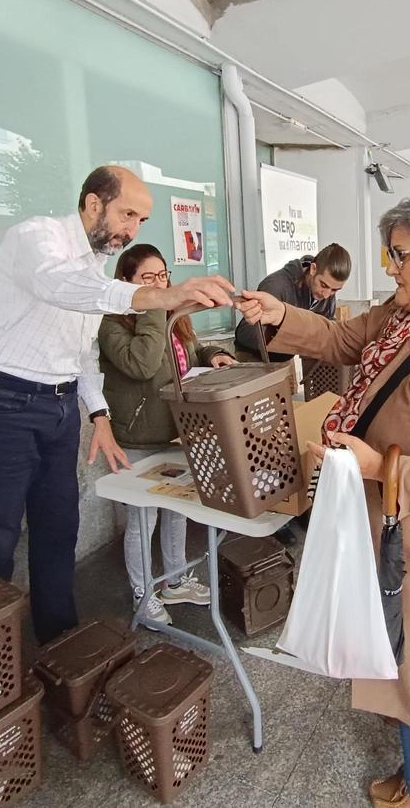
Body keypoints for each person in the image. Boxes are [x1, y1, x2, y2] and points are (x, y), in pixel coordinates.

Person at [238, 190, 410, 808]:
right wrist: (276, 314)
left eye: (401, 255)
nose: (390, 268)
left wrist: (377, 465)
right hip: (399, 532)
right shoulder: (407, 314)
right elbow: (341, 341)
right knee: (407, 664)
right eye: (389, 254)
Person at [0, 165, 233, 644]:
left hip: (58, 406)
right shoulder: (36, 238)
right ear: (92, 203)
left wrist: (98, 414)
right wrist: (161, 295)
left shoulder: (93, 271)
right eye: (127, 214)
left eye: (141, 221)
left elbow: (81, 353)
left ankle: (59, 642)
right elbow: (59, 287)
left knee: (59, 528)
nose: (132, 230)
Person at [98, 244, 236, 626]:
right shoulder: (111, 322)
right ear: (126, 283)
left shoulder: (171, 314)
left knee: (177, 510)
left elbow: (183, 351)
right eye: (148, 278)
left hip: (177, 431)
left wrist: (210, 356)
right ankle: (144, 596)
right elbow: (143, 364)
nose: (160, 284)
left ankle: (175, 581)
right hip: (138, 438)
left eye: (163, 276)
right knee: (143, 520)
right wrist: (154, 305)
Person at [234, 243, 351, 360]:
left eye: (334, 290)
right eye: (323, 285)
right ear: (313, 269)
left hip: (294, 362)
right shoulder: (277, 285)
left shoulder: (327, 292)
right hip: (255, 360)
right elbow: (246, 333)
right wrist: (298, 336)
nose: (326, 295)